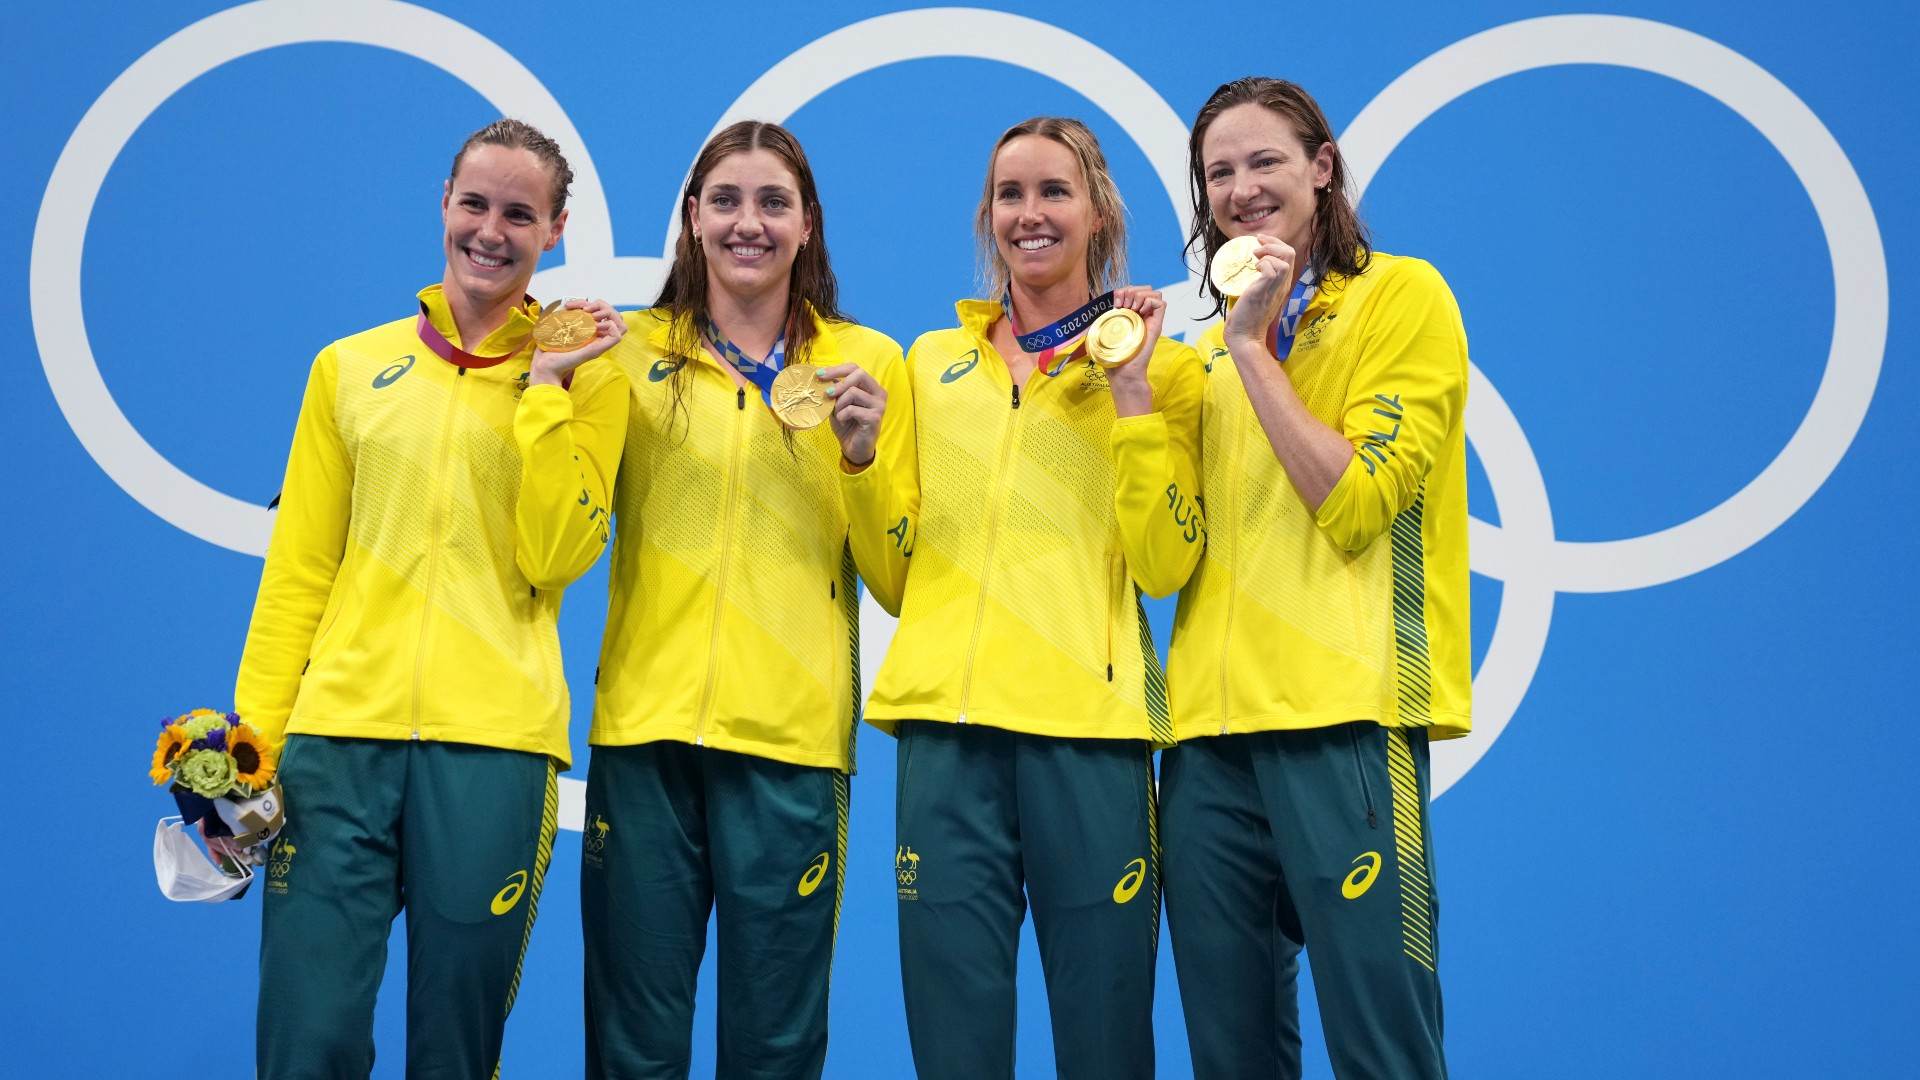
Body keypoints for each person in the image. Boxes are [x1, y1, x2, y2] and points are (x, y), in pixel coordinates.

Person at [233, 118, 630, 1077]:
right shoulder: (349, 368)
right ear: (444, 205)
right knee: (306, 1043)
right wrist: (253, 742)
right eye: (476, 205)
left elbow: (554, 555)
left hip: (493, 754)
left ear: (558, 229)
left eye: (520, 214)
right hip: (339, 750)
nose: (492, 232)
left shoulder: (592, 377)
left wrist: (542, 388)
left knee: (454, 1054)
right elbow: (298, 573)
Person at [845, 116, 1206, 1080]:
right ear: (986, 217)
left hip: (1087, 739)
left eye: (1054, 192)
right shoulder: (931, 363)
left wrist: (1130, 396)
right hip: (945, 743)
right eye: (1011, 194)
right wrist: (860, 463)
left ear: (1098, 213)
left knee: (1105, 1049)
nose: (1030, 213)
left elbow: (1168, 563)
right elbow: (893, 579)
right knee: (954, 1055)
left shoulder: (1164, 369)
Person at [580, 119, 910, 1080]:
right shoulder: (627, 353)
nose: (748, 224)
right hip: (645, 739)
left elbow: (895, 577)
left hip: (789, 749)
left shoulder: (869, 364)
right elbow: (560, 534)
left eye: (773, 203)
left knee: (774, 1050)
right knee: (630, 1047)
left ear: (809, 224)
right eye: (725, 201)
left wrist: (863, 457)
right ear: (691, 218)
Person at [1161, 76, 1471, 1079]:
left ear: (1322, 168)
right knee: (1231, 1057)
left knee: (1385, 1052)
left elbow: (1355, 501)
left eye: (1266, 162)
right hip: (1206, 741)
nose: (1243, 189)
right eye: (1220, 172)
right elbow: (1170, 550)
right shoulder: (1200, 359)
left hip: (1347, 719)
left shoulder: (1402, 297)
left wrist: (1250, 345)